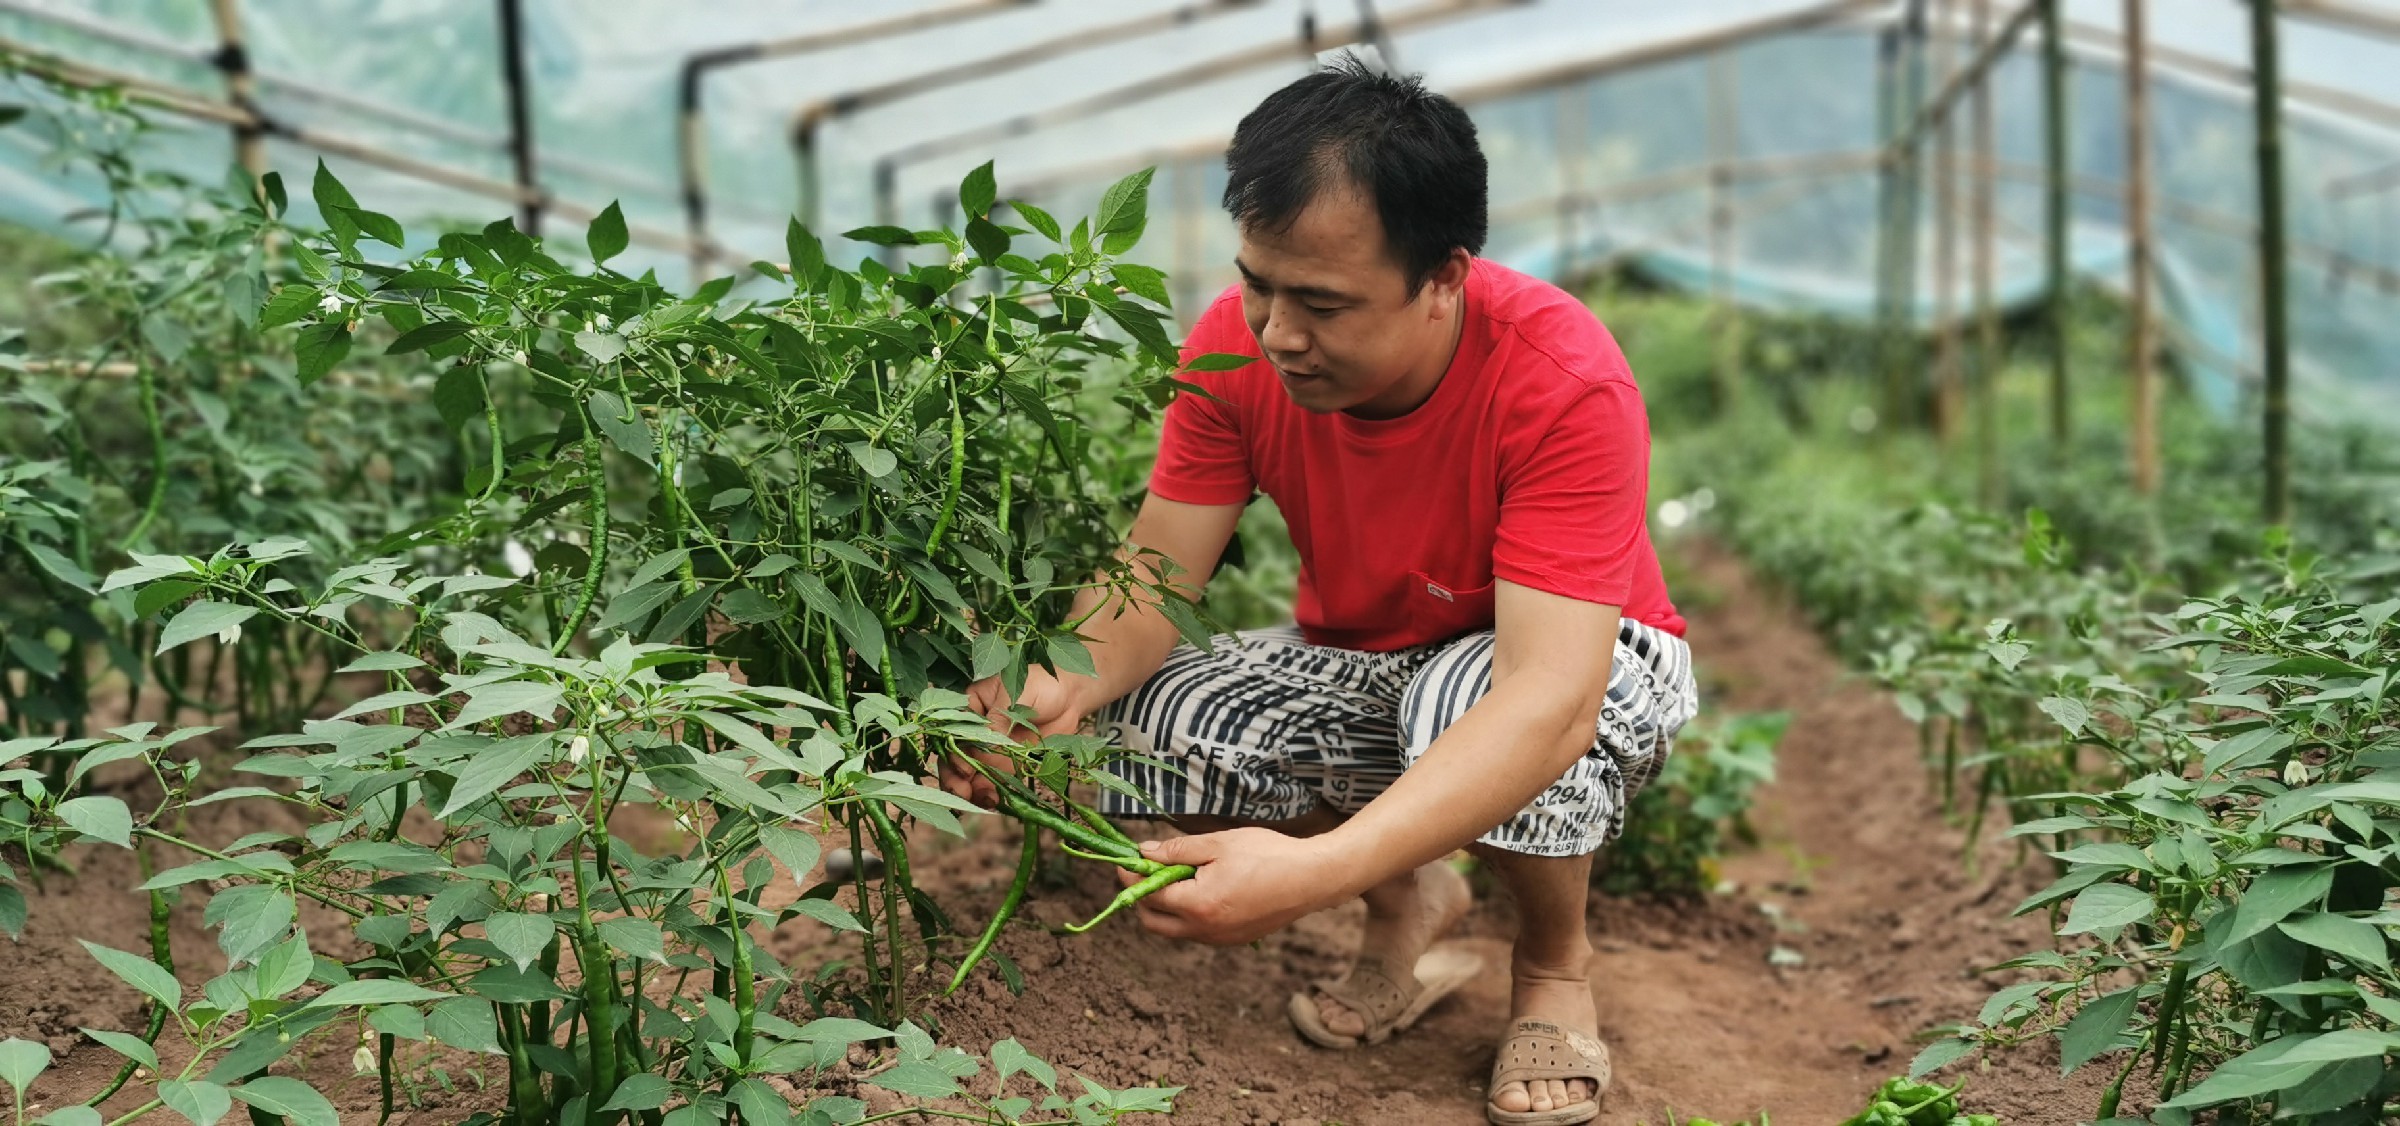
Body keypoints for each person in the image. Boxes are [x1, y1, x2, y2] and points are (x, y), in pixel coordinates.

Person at [943, 55, 1696, 1126]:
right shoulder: (1235, 352)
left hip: (1585, 663)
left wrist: (1312, 872)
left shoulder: (1560, 378)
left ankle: (1553, 968)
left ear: (1445, 276)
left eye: (1325, 302)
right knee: (1148, 725)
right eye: (1258, 281)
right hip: (1375, 656)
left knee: (1467, 704)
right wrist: (1051, 689)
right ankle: (1409, 899)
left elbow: (1550, 697)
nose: (1278, 331)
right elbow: (1152, 576)